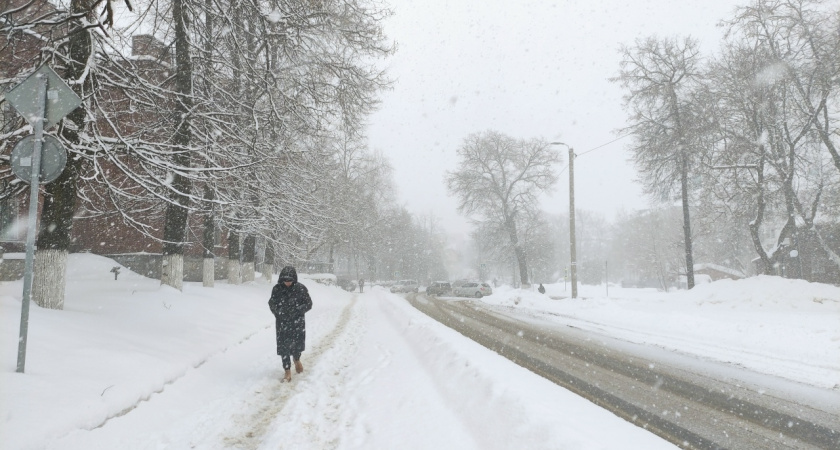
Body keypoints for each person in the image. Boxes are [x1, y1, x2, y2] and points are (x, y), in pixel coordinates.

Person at [268, 266, 313, 382]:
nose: (287, 283)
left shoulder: (301, 289)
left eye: (290, 281)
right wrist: (279, 312)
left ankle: (297, 359)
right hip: (282, 323)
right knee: (284, 348)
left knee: (297, 345)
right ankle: (287, 370)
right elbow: (272, 303)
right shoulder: (277, 289)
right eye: (285, 281)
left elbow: (308, 303)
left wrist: (298, 310)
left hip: (297, 323)